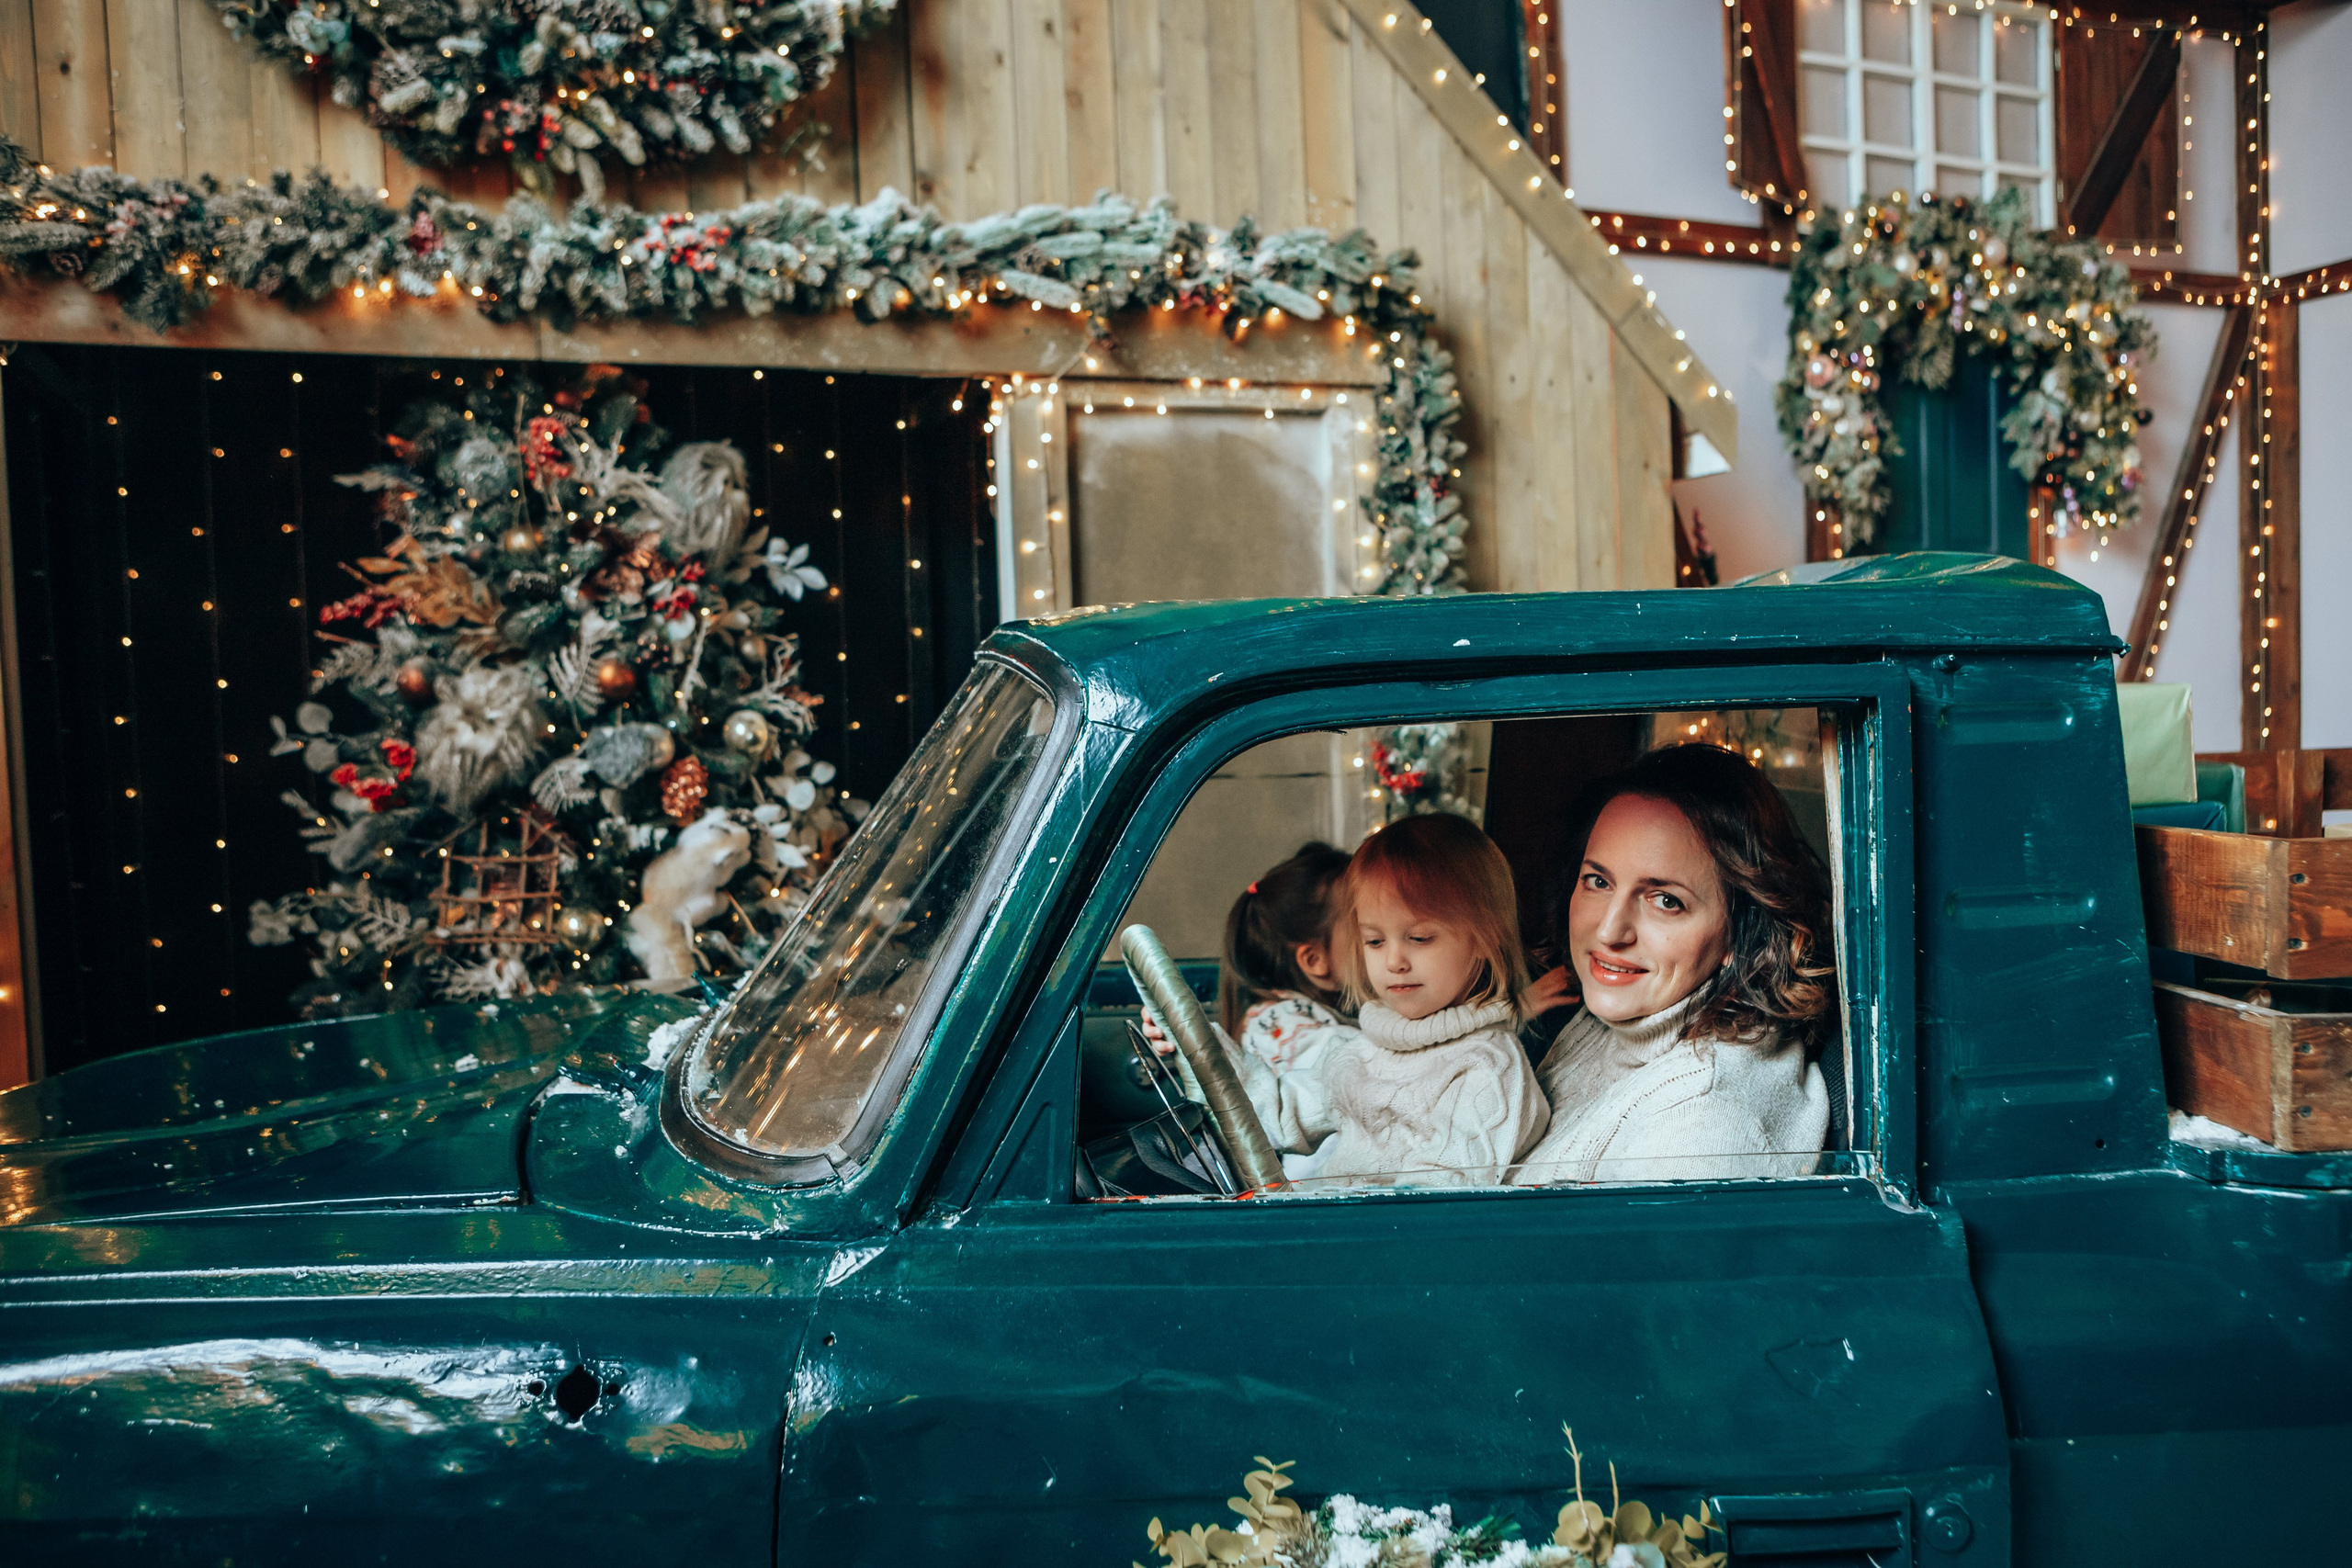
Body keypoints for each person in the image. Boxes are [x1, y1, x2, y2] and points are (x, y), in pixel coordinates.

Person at [1512, 744, 1835, 1185]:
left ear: (1740, 931)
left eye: (1666, 901)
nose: (1609, 931)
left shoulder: (1698, 1128)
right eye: (1598, 881)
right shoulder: (1630, 1013)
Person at [1222, 812, 1551, 1188]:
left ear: (1485, 939)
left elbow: (1438, 1197)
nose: (1394, 962)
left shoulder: (1486, 1069)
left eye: (1420, 938)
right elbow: (1279, 1116)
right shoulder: (1364, 1051)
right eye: (1375, 941)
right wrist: (1201, 1055)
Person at [1216, 841, 1354, 1075]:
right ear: (1314, 960)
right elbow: (1373, 1068)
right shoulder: (1279, 1026)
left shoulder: (1331, 1007)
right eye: (1369, 932)